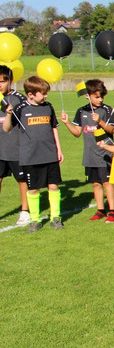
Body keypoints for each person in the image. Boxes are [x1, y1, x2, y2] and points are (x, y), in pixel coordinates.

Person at [2, 75, 63, 231]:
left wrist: (59, 149)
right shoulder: (21, 109)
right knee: (33, 189)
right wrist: (8, 114)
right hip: (30, 157)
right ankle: (35, 220)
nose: (45, 96)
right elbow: (6, 128)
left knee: (53, 186)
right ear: (31, 94)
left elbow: (53, 128)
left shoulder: (48, 107)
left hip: (49, 155)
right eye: (42, 93)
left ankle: (56, 218)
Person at [60, 79, 114, 223]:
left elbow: (112, 129)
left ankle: (113, 211)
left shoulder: (107, 110)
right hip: (90, 155)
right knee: (96, 184)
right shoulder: (81, 111)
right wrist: (67, 123)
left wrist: (99, 122)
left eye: (101, 96)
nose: (100, 99)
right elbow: (77, 132)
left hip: (105, 155)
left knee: (107, 183)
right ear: (88, 96)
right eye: (97, 97)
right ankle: (100, 210)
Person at [0, 65, 30, 226]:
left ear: (10, 81)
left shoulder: (18, 99)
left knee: (21, 180)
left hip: (16, 149)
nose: (0, 85)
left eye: (2, 81)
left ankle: (25, 211)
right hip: (0, 149)